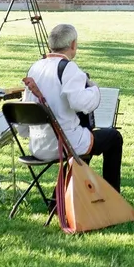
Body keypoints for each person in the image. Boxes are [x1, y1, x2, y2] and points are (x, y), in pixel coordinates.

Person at [25, 24, 123, 191]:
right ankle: (113, 196)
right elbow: (80, 103)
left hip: (38, 144)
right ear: (73, 45)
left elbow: (27, 108)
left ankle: (63, 194)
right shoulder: (68, 68)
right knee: (113, 138)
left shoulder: (35, 67)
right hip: (64, 143)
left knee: (87, 136)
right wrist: (94, 90)